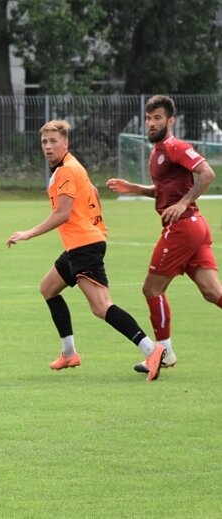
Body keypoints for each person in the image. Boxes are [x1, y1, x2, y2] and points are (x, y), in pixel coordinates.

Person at [6, 119, 167, 381]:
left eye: (53, 141)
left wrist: (28, 233)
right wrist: (96, 224)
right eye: (44, 142)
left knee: (101, 306)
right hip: (80, 244)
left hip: (84, 245)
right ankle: (69, 353)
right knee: (48, 288)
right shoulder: (72, 166)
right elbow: (91, 191)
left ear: (65, 143)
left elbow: (62, 214)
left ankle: (151, 349)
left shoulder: (66, 171)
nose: (48, 146)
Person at [107, 95, 222, 374]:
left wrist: (182, 202)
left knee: (152, 289)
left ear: (170, 121)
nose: (151, 123)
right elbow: (164, 190)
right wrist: (134, 188)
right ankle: (164, 353)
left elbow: (207, 174)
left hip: (183, 226)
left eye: (157, 118)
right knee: (212, 292)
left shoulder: (174, 146)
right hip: (194, 226)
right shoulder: (158, 151)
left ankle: (164, 353)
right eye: (148, 118)